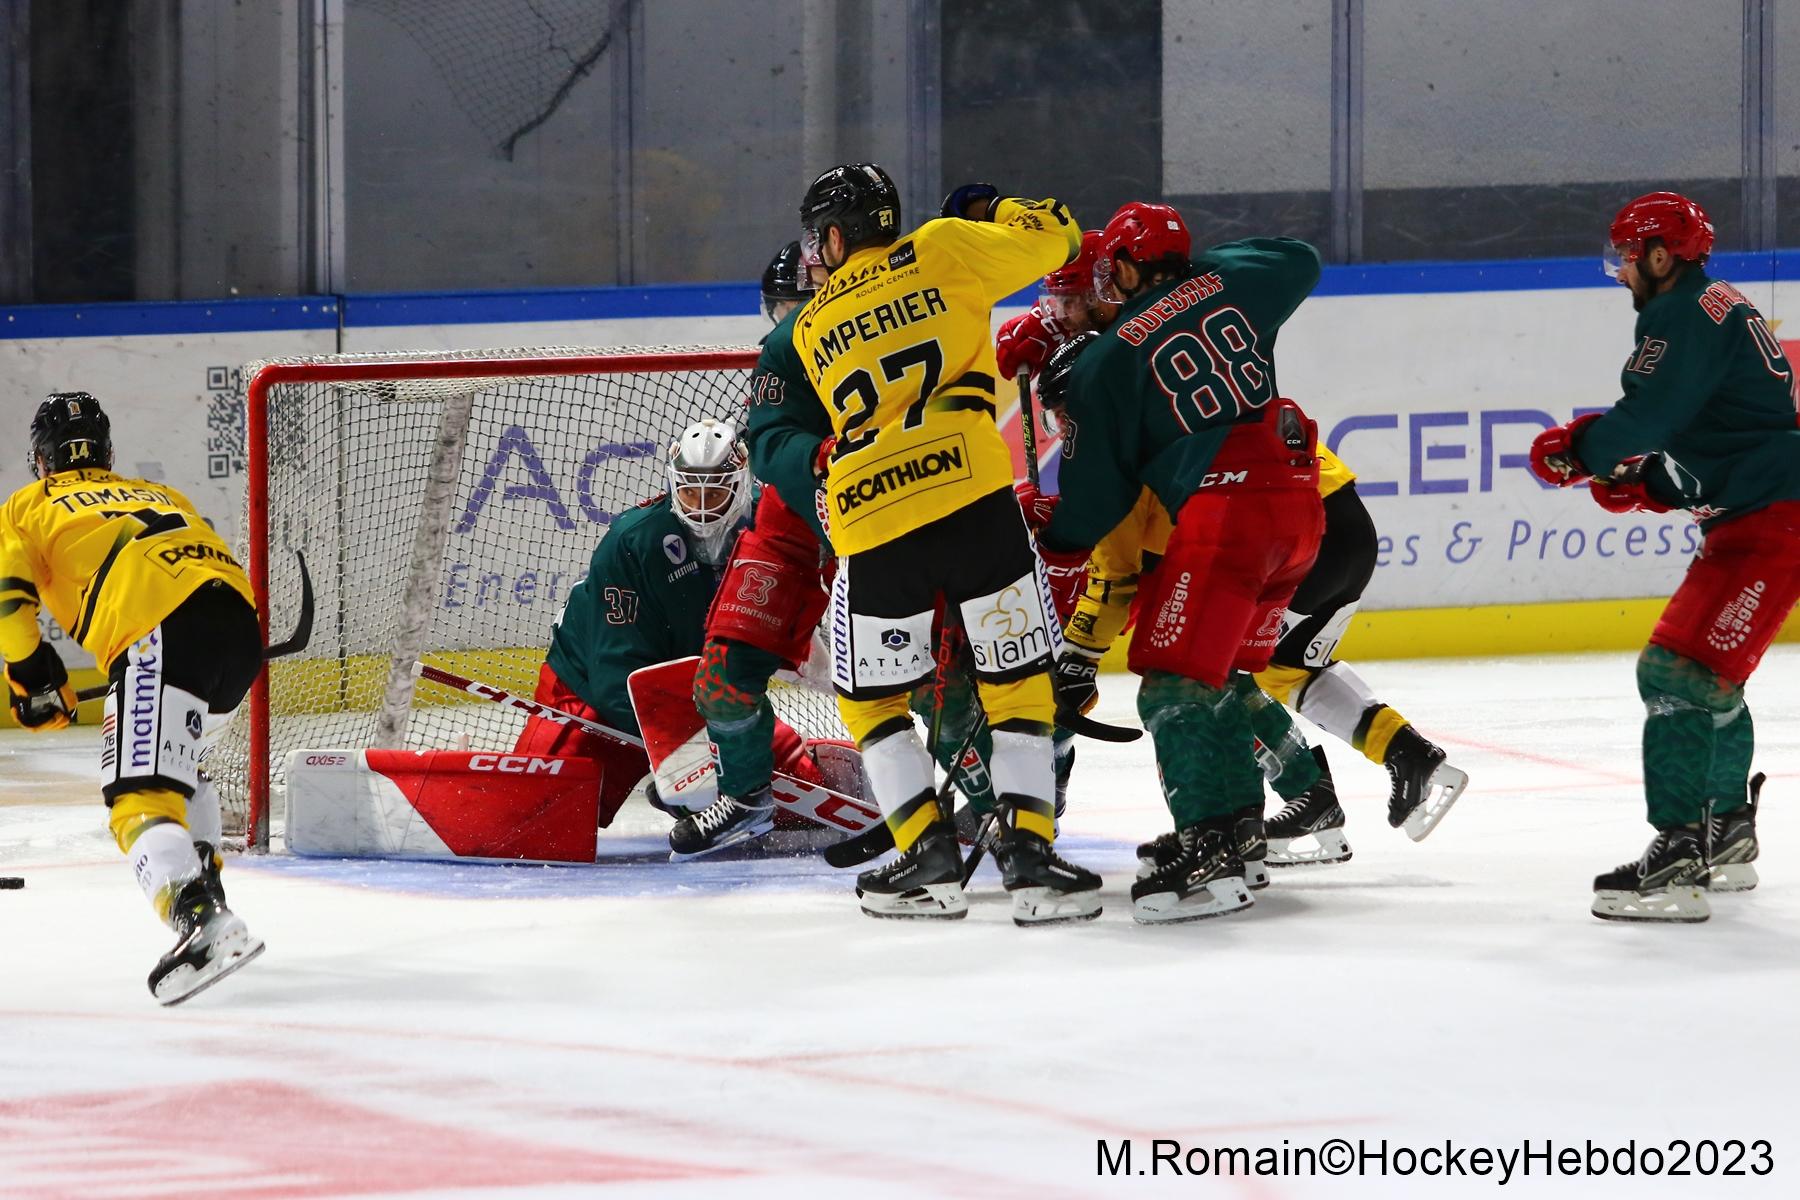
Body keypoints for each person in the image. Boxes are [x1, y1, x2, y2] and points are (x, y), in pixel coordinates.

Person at [790, 162, 1101, 923]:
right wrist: (993, 209)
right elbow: (1062, 234)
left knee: (871, 703)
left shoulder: (807, 326)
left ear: (837, 237)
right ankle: (1030, 859)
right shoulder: (943, 246)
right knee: (1018, 681)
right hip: (973, 496)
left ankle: (926, 857)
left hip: (872, 516)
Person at [1031, 203, 1327, 924]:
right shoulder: (1233, 284)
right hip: (1298, 500)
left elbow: (1095, 499)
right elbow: (1300, 256)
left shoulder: (1105, 361)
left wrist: (1054, 537)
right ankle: (1237, 831)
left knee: (1169, 687)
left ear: (1125, 267)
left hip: (1227, 511)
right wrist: (1200, 279)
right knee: (1218, 679)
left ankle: (1207, 853)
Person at [675, 241, 1002, 859]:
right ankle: (746, 797)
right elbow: (770, 446)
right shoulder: (781, 364)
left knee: (938, 684)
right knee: (722, 676)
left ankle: (994, 806)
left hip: (885, 517)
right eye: (781, 310)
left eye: (801, 306)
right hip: (793, 524)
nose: (791, 324)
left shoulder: (889, 322)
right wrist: (815, 464)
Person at [1530, 190, 1800, 923]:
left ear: (1660, 254)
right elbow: (1725, 427)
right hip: (1759, 515)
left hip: (1767, 522)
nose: (1620, 270)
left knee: (1673, 673)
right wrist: (1649, 484)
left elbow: (1651, 415)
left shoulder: (1680, 311)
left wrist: (1580, 453)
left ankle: (1679, 858)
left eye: (1626, 255)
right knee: (1714, 681)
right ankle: (1726, 833)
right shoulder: (1716, 304)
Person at [1, 393, 265, 1003]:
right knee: (182, 775)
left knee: (137, 799)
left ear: (41, 460)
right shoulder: (160, 494)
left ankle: (198, 918)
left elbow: (8, 598)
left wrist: (34, 673)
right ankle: (209, 894)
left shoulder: (27, 505)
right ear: (108, 453)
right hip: (238, 628)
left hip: (159, 632)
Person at [513, 418, 810, 832]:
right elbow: (613, 675)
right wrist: (688, 748)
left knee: (798, 786)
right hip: (593, 698)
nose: (701, 504)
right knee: (535, 822)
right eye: (690, 490)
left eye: (715, 491)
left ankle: (772, 768)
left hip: (704, 691)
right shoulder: (633, 541)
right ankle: (687, 791)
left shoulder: (770, 523)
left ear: (741, 485)